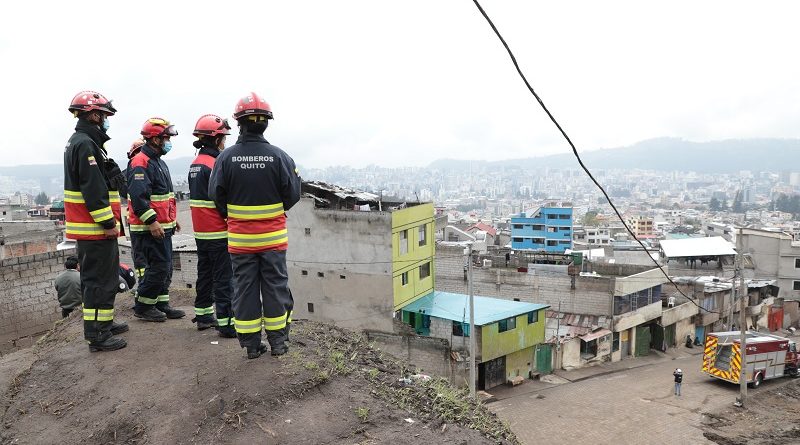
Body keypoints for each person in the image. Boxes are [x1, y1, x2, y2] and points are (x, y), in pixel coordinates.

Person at [209, 92, 301, 359]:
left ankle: (251, 345)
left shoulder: (225, 159)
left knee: (245, 288)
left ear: (240, 123)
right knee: (275, 287)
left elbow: (217, 195)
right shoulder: (280, 157)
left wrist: (235, 216)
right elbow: (292, 194)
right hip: (273, 238)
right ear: (266, 124)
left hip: (240, 240)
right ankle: (279, 343)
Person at [63, 90, 128, 352]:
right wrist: (108, 223)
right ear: (92, 114)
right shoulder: (85, 144)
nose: (105, 119)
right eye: (103, 115)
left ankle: (105, 323)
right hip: (95, 229)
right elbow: (93, 189)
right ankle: (98, 335)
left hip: (94, 229)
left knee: (106, 278)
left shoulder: (85, 142)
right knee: (98, 282)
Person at [127, 117, 185, 322]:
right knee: (158, 267)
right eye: (166, 137)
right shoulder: (140, 162)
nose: (169, 141)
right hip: (148, 229)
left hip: (163, 227)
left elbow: (164, 196)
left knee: (166, 268)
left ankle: (161, 303)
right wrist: (152, 222)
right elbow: (138, 197)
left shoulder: (158, 162)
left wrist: (172, 219)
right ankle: (143, 306)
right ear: (154, 139)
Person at [188, 114, 236, 338]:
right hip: (218, 231)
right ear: (217, 139)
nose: (225, 143)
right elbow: (222, 200)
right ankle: (226, 324)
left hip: (202, 232)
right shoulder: (215, 163)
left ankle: (204, 315)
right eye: (223, 138)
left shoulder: (195, 164)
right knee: (224, 278)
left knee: (205, 274)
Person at [125, 139, 148, 287]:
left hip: (140, 221)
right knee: (141, 259)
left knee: (143, 258)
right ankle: (142, 285)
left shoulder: (145, 165)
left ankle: (144, 284)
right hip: (138, 222)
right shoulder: (136, 166)